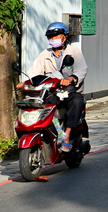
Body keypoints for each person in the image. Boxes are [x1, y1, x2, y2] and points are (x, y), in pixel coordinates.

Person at [22, 22, 87, 152]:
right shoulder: (44, 54)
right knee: (38, 105)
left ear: (65, 37)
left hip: (69, 92)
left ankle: (67, 135)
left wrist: (70, 78)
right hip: (51, 92)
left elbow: (81, 69)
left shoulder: (74, 52)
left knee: (77, 100)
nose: (53, 39)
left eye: (56, 36)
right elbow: (33, 72)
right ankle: (50, 132)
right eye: (50, 37)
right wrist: (24, 82)